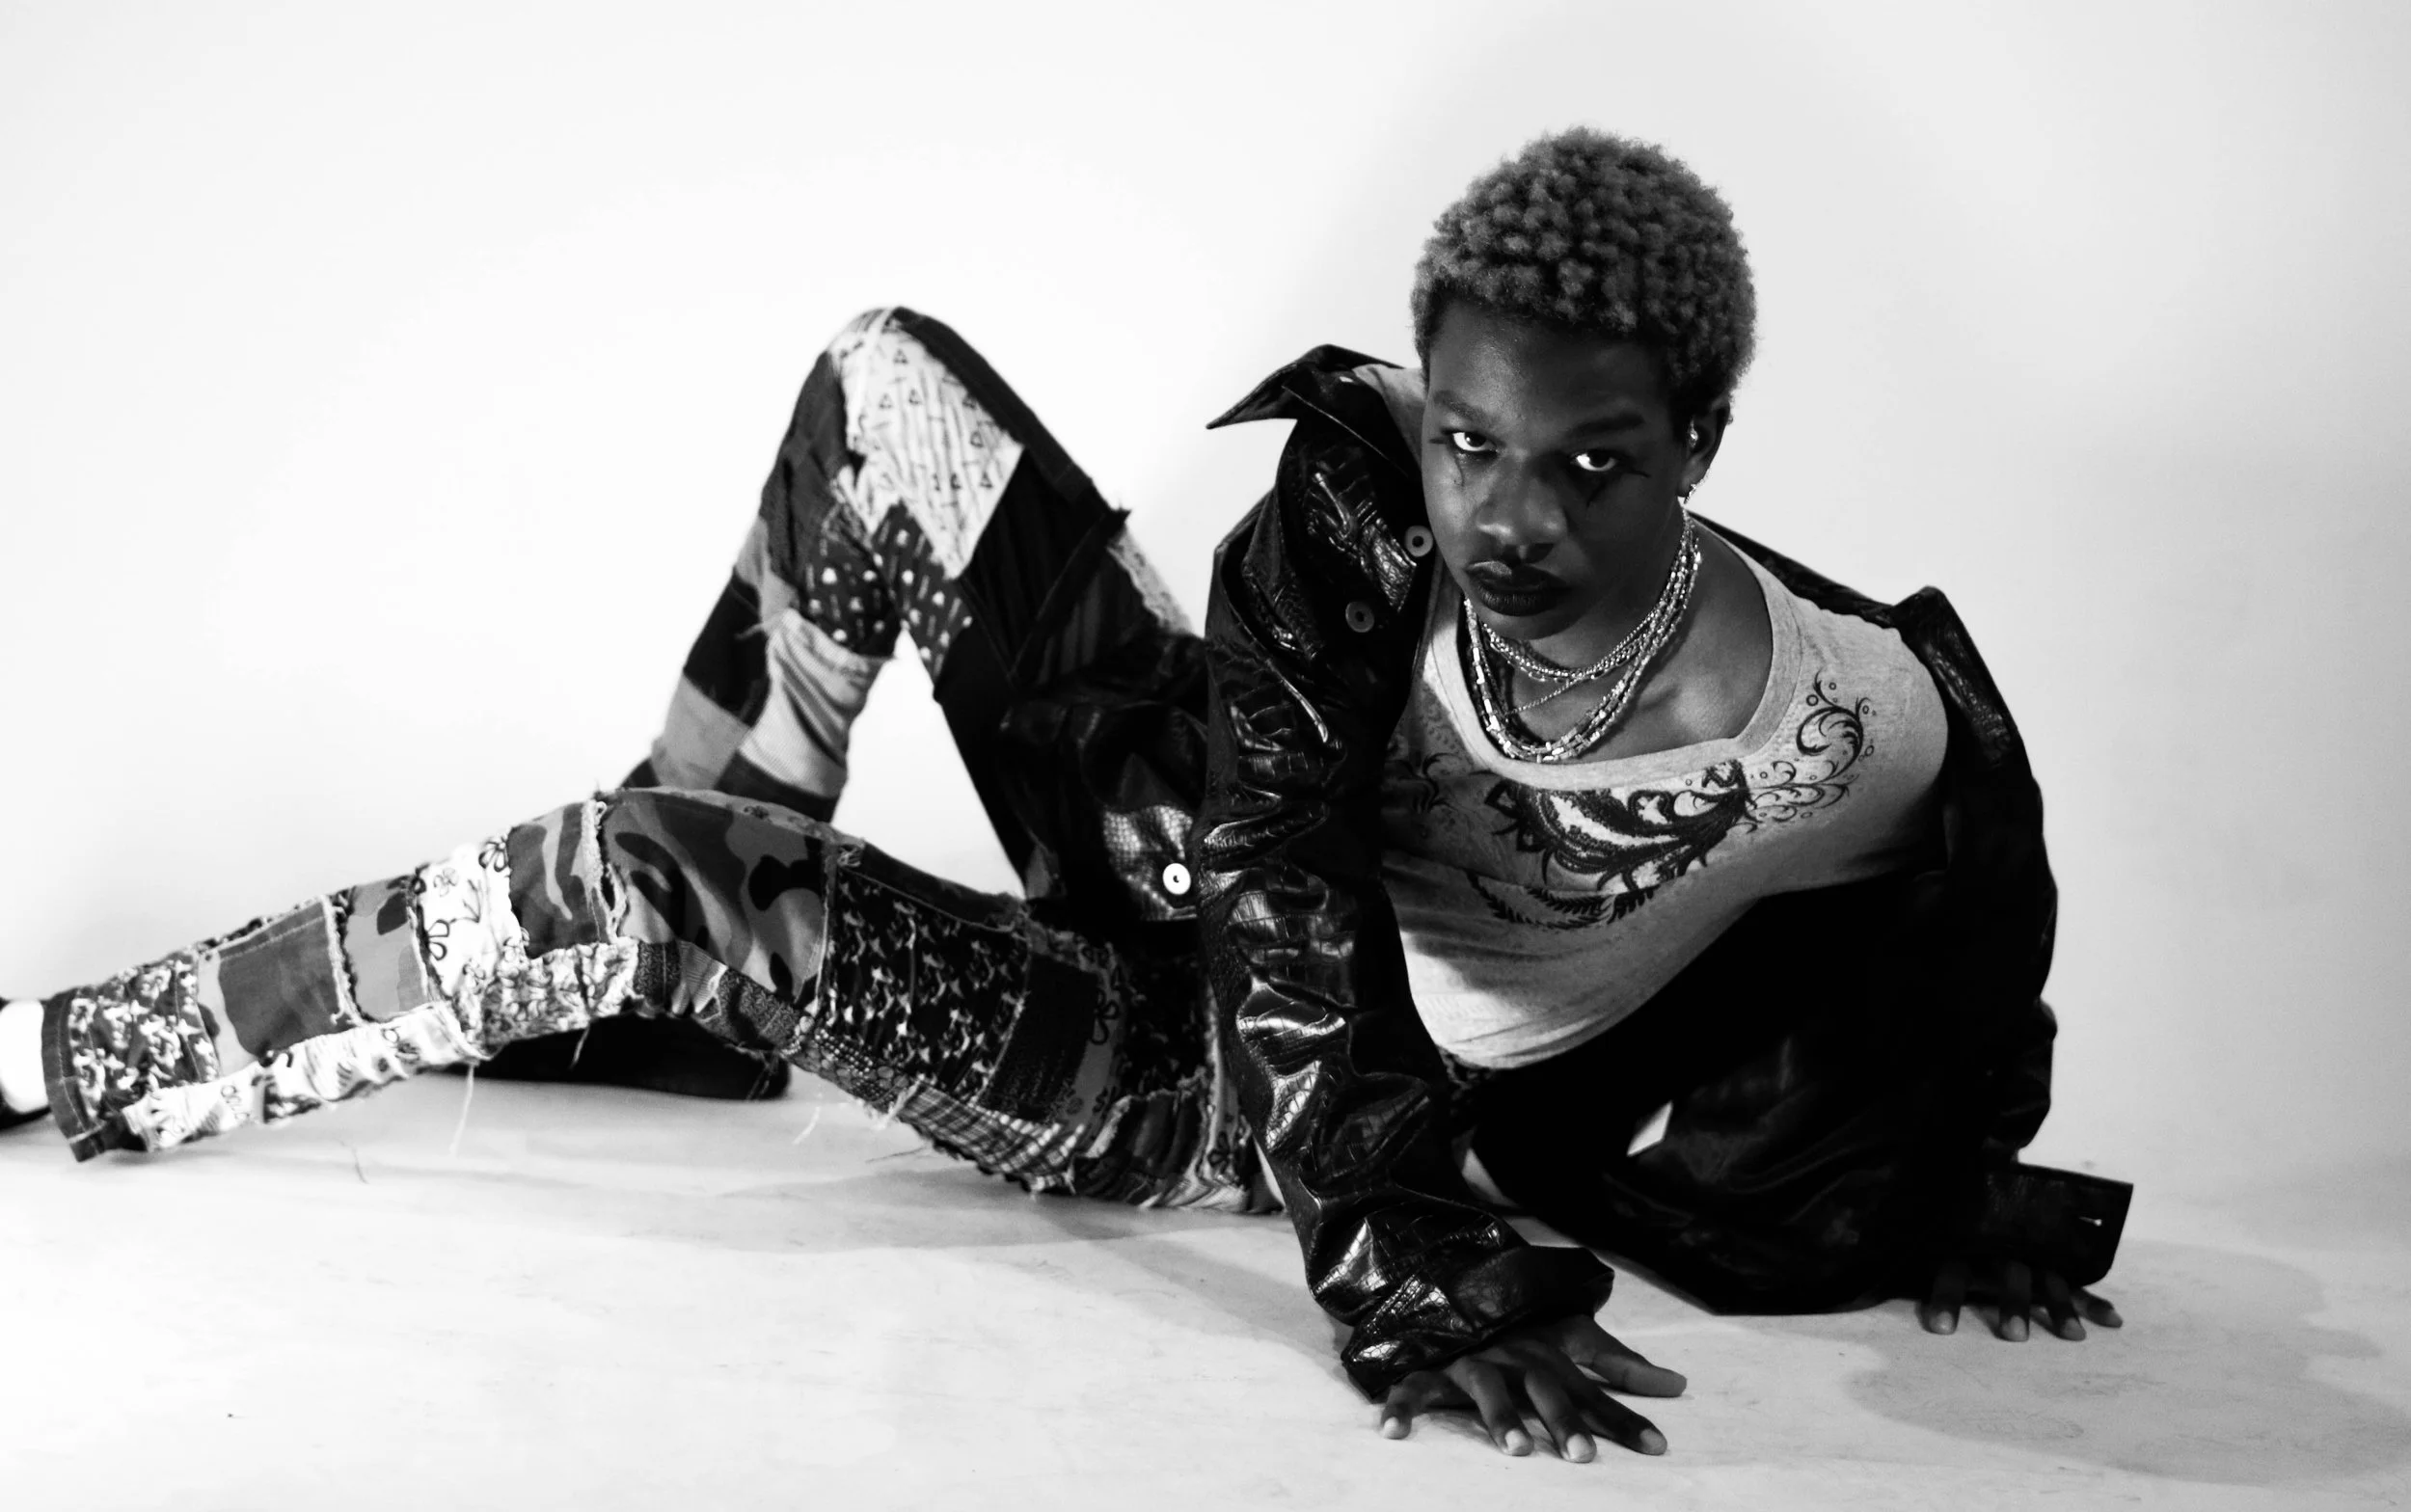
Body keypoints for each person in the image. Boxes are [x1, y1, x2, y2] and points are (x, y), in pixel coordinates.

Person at [0, 127, 2130, 1464]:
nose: (1506, 517)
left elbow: (1953, 952)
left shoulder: (1841, 724)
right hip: (1182, 829)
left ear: (1699, 441)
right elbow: (1271, 846)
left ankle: (72, 1051)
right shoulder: (1352, 503)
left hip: (1220, 1073)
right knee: (890, 387)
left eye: (1591, 462)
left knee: (655, 882)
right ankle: (686, 954)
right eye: (1468, 443)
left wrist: (1930, 1194)